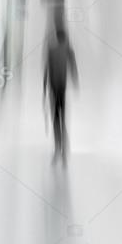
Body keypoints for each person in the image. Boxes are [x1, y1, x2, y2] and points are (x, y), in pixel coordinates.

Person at [43, 24, 79, 166]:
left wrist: (44, 87)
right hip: (59, 87)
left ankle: (60, 147)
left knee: (57, 117)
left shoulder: (53, 50)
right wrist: (75, 81)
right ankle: (61, 147)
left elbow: (47, 70)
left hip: (55, 87)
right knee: (60, 117)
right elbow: (72, 67)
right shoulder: (66, 50)